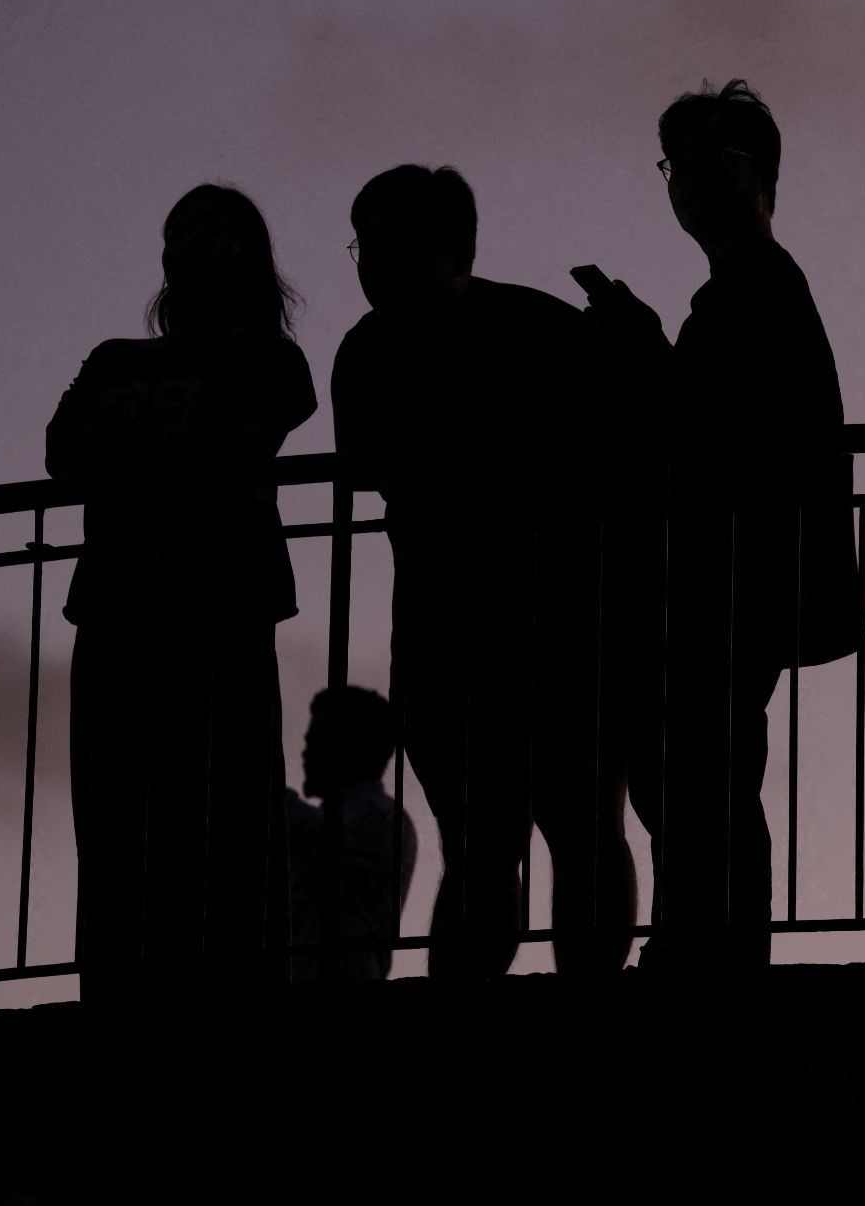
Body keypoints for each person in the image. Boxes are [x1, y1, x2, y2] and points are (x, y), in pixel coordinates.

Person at [331, 164, 635, 978]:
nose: (374, 263)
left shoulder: (381, 350)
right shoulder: (532, 326)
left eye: (394, 243)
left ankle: (496, 1028)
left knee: (528, 838)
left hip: (537, 623)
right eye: (366, 245)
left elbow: (367, 469)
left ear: (450, 244)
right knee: (516, 839)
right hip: (488, 628)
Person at [587, 80, 862, 969]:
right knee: (699, 764)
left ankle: (708, 949)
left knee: (702, 764)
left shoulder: (756, 289)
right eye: (680, 163)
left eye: (715, 160)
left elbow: (709, 422)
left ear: (764, 176)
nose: (692, 180)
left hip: (735, 574)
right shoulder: (746, 290)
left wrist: (638, 344)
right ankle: (706, 942)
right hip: (735, 573)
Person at [47, 183, 313, 1001]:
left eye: (214, 238)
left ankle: (230, 982)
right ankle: (120, 980)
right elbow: (64, 451)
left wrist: (137, 452)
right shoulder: (114, 357)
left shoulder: (272, 361)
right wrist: (171, 455)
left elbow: (231, 440)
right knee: (115, 804)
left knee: (225, 799)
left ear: (248, 256)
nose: (195, 253)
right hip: (119, 607)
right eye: (181, 238)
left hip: (221, 604)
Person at [285, 685, 418, 981]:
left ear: (349, 748)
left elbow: (316, 837)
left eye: (318, 741)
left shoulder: (378, 816)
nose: (306, 752)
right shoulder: (365, 816)